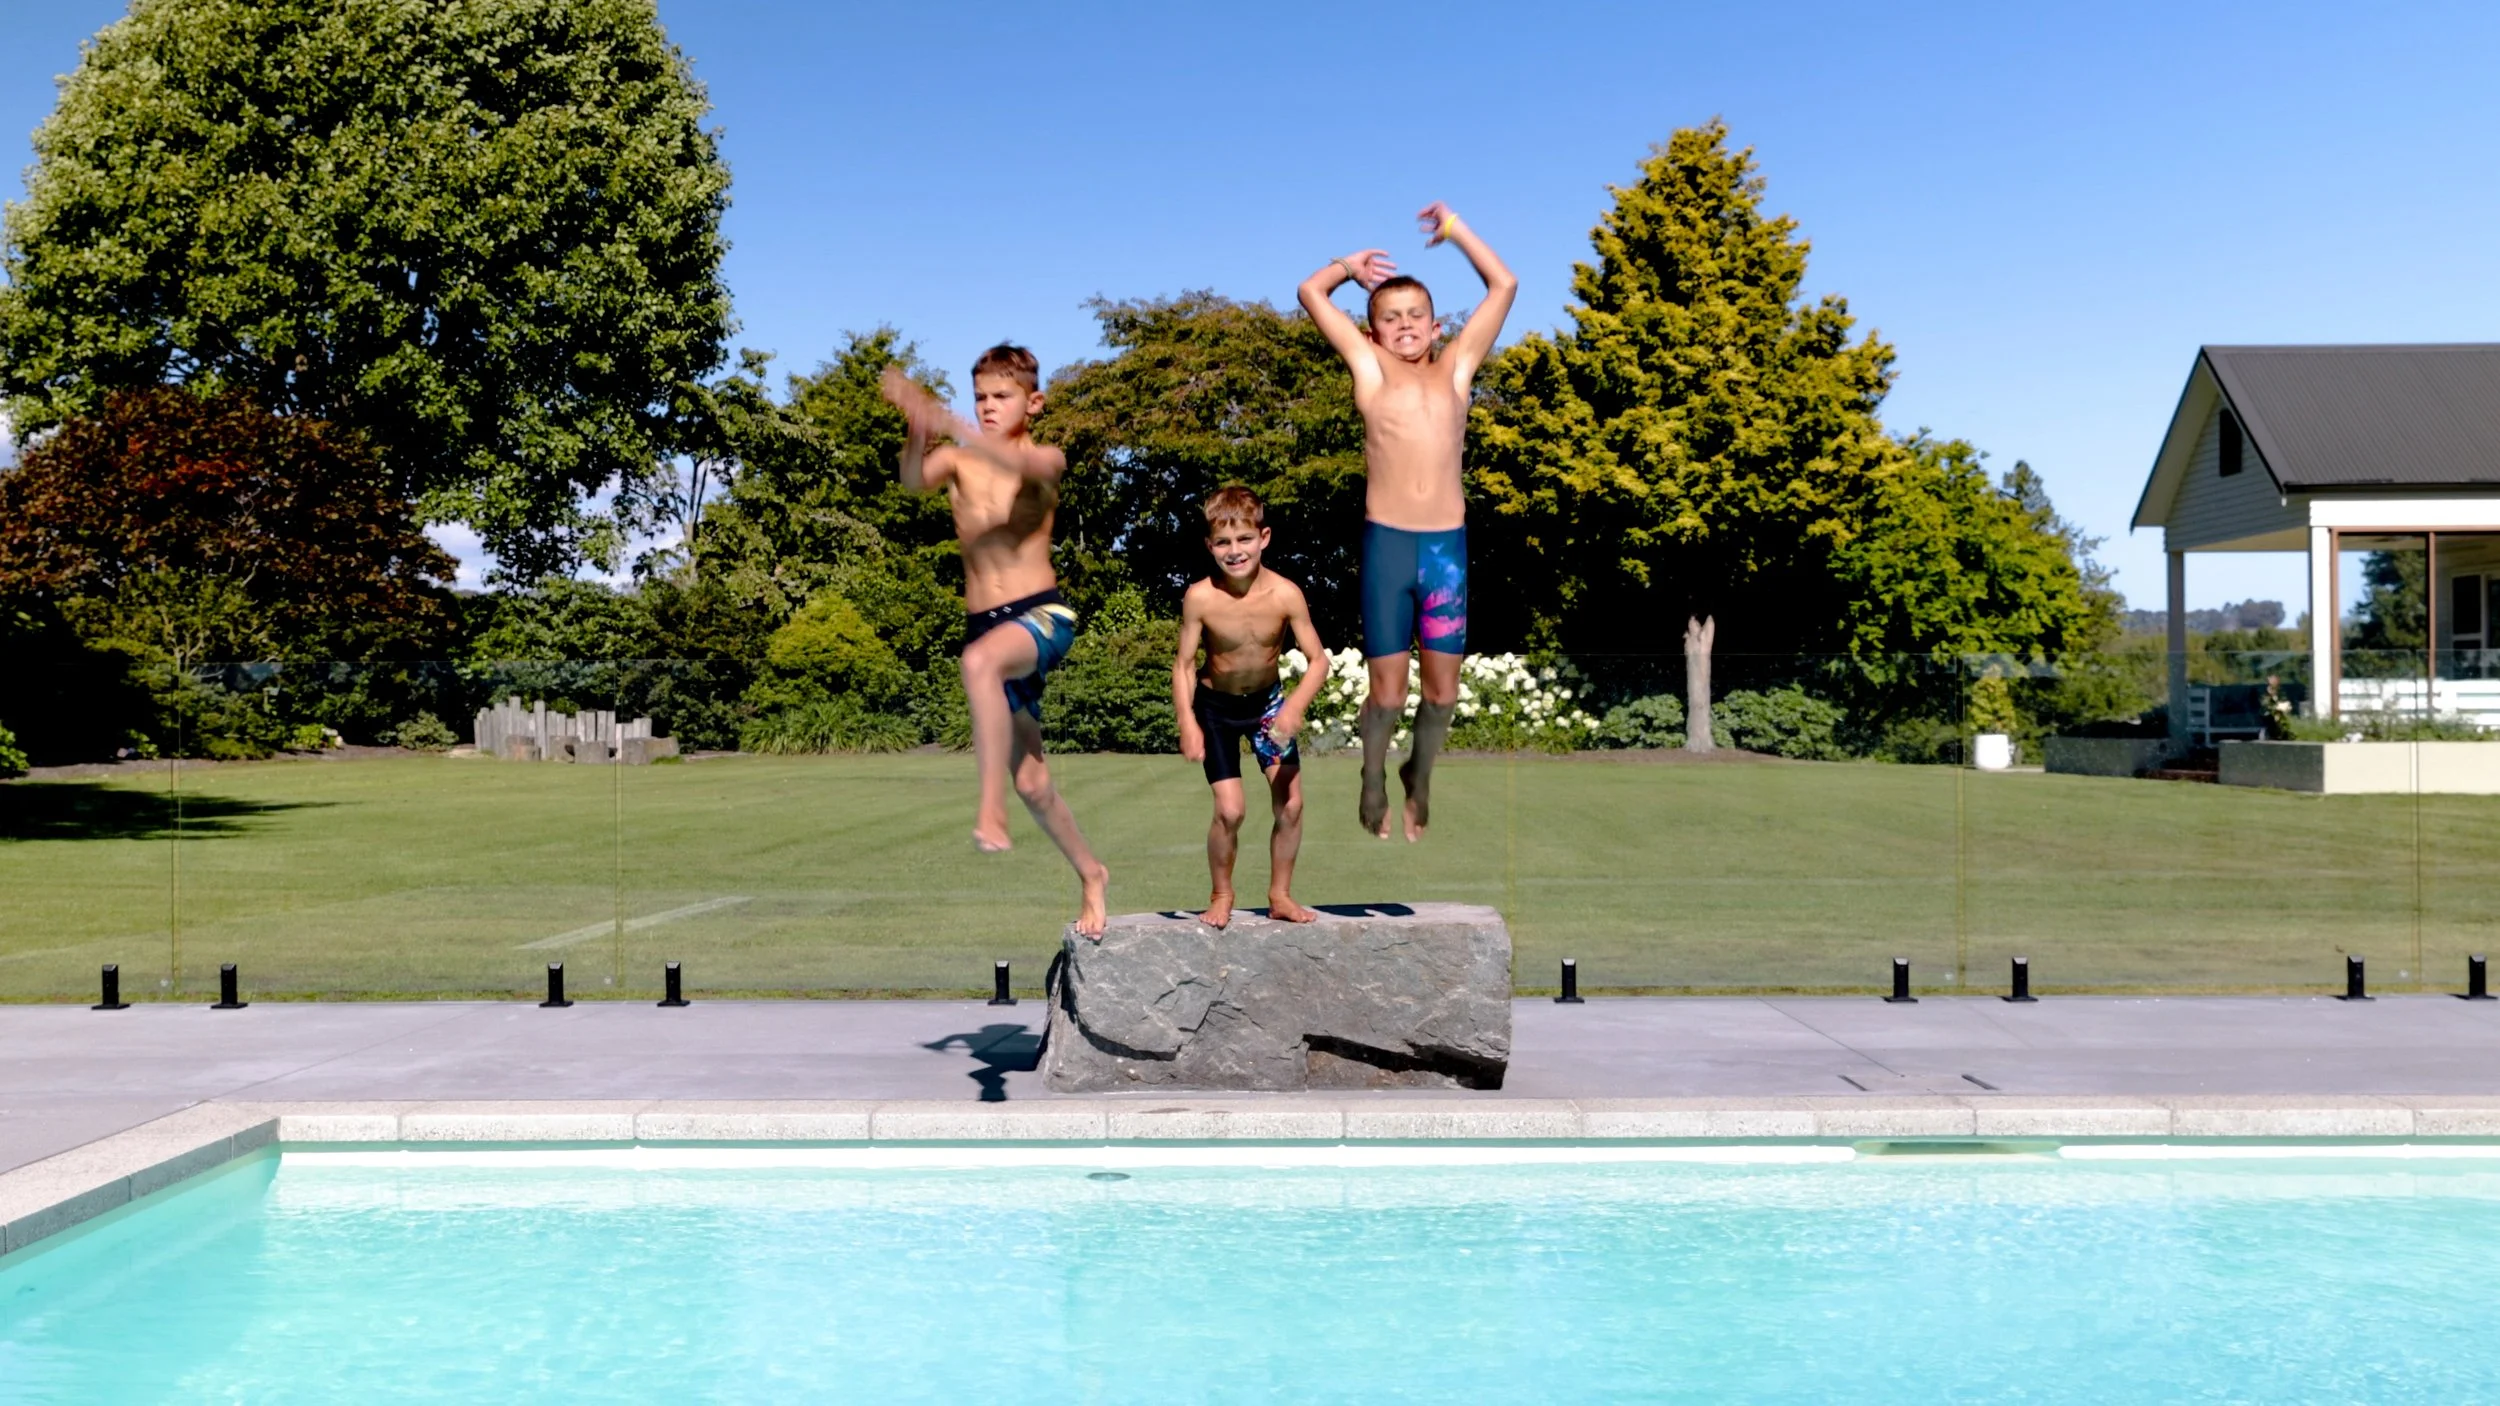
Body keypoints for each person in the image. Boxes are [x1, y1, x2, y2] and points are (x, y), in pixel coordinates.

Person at [1297, 202, 1517, 841]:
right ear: (1372, 334)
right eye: (1390, 318)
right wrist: (1346, 268)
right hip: (1389, 547)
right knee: (1388, 696)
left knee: (1443, 696)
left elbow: (1504, 284)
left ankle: (1418, 772)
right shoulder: (1370, 372)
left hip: (1445, 550)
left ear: (1436, 323)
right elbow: (1311, 293)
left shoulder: (1456, 372)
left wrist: (1456, 232)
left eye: (1415, 315)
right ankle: (1372, 772)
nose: (1405, 325)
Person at [881, 346, 1110, 937]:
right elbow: (911, 482)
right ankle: (1092, 873)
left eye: (1001, 397)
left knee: (979, 663)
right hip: (985, 621)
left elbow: (1024, 471)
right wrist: (916, 429)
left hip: (1043, 615)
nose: (987, 407)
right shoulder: (957, 461)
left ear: (1033, 403)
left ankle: (989, 809)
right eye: (979, 397)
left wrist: (943, 419)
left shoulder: (1045, 457)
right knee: (1034, 781)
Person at [1172, 486, 1330, 928]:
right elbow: (1183, 664)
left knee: (1292, 804)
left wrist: (1295, 705)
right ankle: (1221, 893)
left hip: (1268, 708)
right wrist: (1187, 720)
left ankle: (1280, 894)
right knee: (1230, 810)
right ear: (1209, 546)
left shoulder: (1286, 594)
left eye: (1244, 539)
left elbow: (1319, 661)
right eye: (1223, 542)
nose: (1234, 551)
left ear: (1264, 537)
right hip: (1216, 709)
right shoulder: (1199, 597)